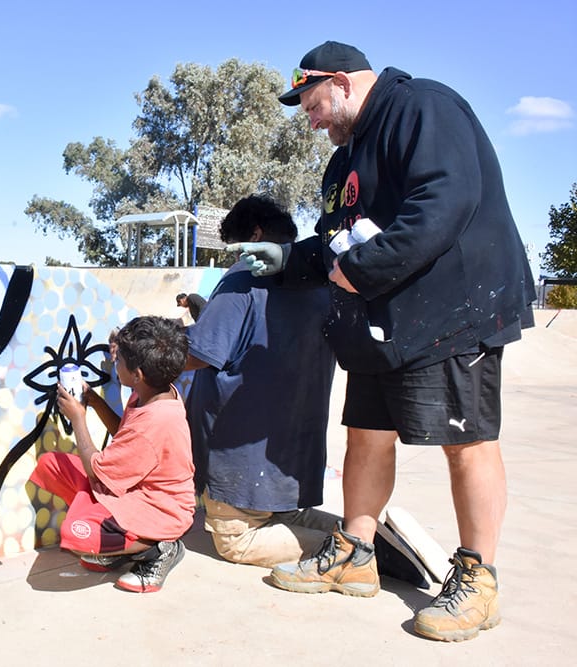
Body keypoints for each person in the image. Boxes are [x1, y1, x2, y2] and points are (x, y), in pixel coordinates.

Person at [233, 41, 536, 642]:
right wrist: (289, 259)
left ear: (341, 82)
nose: (308, 116)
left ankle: (478, 578)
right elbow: (335, 241)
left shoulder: (422, 108)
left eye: (310, 101)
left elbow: (444, 202)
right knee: (366, 435)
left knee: (466, 441)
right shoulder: (343, 160)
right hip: (381, 321)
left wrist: (364, 269)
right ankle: (356, 552)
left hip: (454, 311)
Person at [184, 195, 338, 567]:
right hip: (291, 458)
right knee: (285, 518)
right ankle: (360, 536)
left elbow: (200, 355)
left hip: (239, 457)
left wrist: (147, 351)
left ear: (254, 234)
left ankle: (354, 554)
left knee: (236, 540)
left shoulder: (242, 277)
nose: (235, 258)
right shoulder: (322, 281)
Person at [29, 316, 195, 593]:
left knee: (77, 533)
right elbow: (124, 433)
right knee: (52, 465)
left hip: (162, 510)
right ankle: (117, 543)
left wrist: (79, 418)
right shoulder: (152, 392)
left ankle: (160, 547)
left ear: (137, 375)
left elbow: (96, 469)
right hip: (132, 491)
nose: (114, 364)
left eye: (119, 362)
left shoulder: (157, 418)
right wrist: (94, 402)